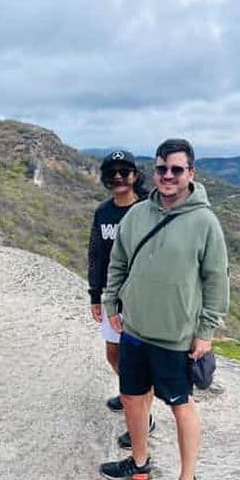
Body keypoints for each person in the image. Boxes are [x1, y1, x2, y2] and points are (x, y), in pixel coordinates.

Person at [98, 138, 230, 480]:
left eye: (176, 169)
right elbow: (118, 261)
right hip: (136, 330)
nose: (168, 176)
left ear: (191, 173)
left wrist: (205, 331)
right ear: (153, 172)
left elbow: (216, 279)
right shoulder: (138, 214)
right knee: (132, 398)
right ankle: (139, 464)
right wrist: (111, 303)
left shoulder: (205, 221)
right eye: (161, 169)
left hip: (176, 336)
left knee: (179, 406)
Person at [87, 150, 156, 443]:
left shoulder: (149, 211)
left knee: (138, 361)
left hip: (143, 299)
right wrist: (94, 294)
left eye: (124, 171)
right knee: (114, 354)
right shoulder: (103, 213)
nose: (117, 177)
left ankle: (143, 418)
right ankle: (130, 393)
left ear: (134, 175)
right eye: (111, 172)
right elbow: (96, 255)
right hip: (113, 298)